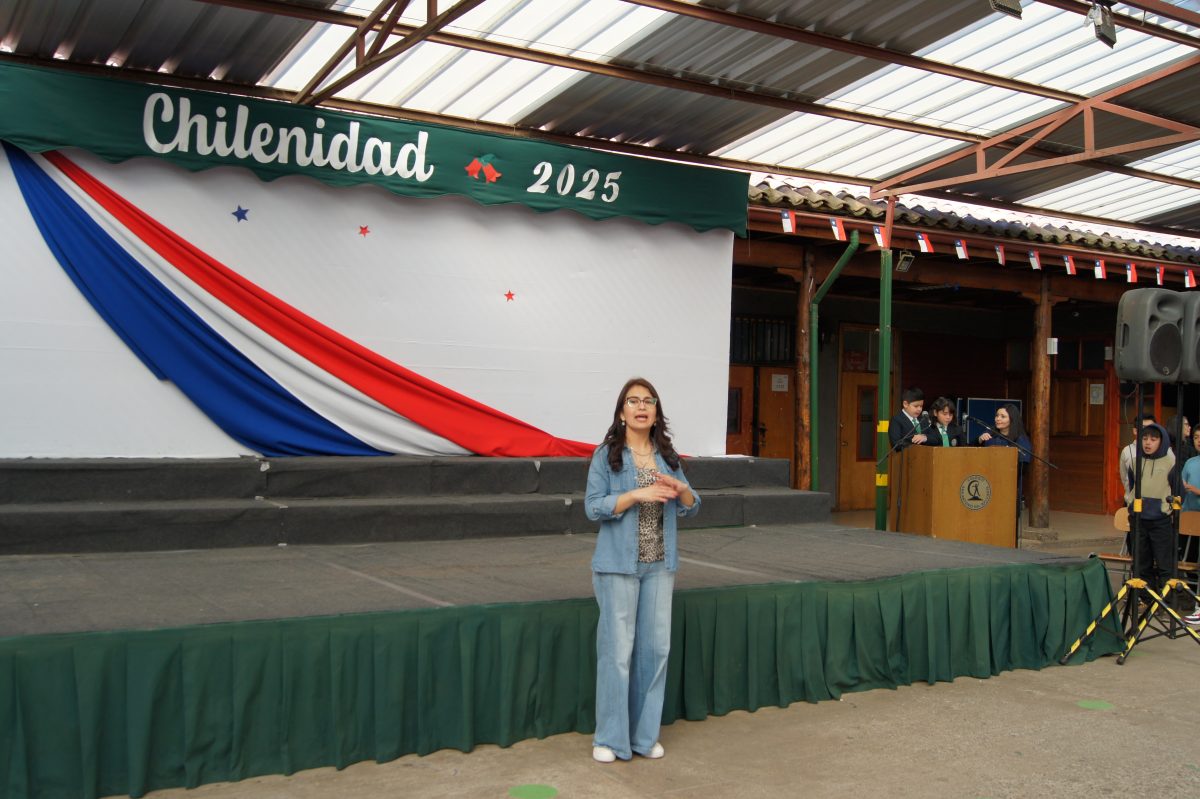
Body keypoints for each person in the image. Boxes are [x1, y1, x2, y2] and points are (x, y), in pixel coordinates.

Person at [585, 377, 700, 763]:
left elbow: (691, 501)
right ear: (622, 412)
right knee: (617, 655)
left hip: (659, 566)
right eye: (633, 401)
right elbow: (593, 507)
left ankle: (643, 736)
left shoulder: (667, 456)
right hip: (618, 566)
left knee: (656, 651)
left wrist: (677, 487)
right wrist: (635, 494)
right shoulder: (607, 456)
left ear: (655, 412)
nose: (641, 406)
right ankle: (610, 739)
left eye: (648, 401)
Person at [1124, 422, 1179, 597]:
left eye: (1153, 439)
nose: (1148, 443)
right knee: (1141, 563)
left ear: (1161, 442)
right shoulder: (1134, 462)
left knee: (1164, 564)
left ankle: (1167, 601)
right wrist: (1131, 504)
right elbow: (1131, 485)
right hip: (1139, 520)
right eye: (1144, 438)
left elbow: (1178, 492)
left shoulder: (1171, 462)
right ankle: (1145, 599)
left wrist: (1167, 510)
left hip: (1160, 521)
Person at [978, 403, 1032, 508]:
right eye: (997, 416)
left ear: (1012, 419)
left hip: (1009, 487)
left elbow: (1023, 466)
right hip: (986, 485)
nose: (998, 419)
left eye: (1003, 416)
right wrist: (979, 439)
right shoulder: (990, 434)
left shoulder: (1020, 439)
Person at [1119, 415, 1161, 499]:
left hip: (1157, 505)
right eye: (1144, 428)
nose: (1148, 431)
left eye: (1151, 428)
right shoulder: (1127, 451)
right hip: (1133, 503)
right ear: (1135, 431)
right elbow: (1124, 477)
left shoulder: (1165, 450)